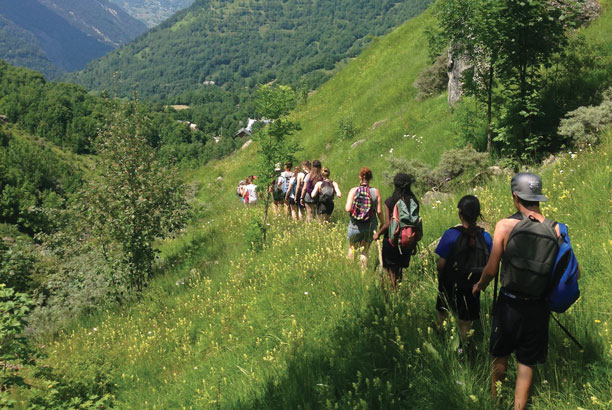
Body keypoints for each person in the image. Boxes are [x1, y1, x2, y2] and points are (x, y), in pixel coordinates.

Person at [472, 173, 578, 410]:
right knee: (526, 362)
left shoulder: (505, 226)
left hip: (509, 303)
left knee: (500, 354)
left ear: (515, 196)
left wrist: (480, 285)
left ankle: (496, 402)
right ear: (538, 196)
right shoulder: (558, 229)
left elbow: (491, 269)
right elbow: (575, 272)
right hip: (538, 306)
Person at [435, 195, 492, 345]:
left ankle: (442, 341)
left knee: (443, 313)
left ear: (460, 214)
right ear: (478, 214)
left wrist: (441, 277)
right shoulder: (485, 237)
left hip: (449, 283)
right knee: (465, 321)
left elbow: (441, 264)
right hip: (473, 286)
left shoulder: (451, 234)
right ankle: (463, 350)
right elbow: (490, 265)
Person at [373, 173, 421, 289]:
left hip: (392, 241)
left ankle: (392, 292)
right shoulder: (414, 201)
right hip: (408, 241)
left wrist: (377, 234)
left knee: (390, 269)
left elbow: (388, 224)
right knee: (399, 268)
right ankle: (398, 290)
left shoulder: (390, 201)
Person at [345, 167, 383, 271]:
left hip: (354, 226)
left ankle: (350, 272)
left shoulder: (354, 191)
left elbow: (347, 208)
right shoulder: (376, 192)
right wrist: (383, 223)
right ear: (370, 178)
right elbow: (379, 211)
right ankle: (363, 275)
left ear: (360, 177)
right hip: (370, 226)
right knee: (365, 251)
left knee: (352, 249)